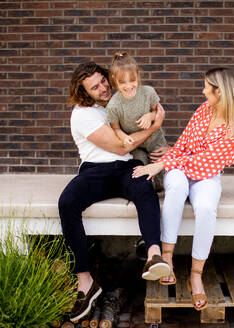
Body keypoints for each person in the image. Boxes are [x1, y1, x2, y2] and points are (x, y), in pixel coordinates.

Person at [59, 61, 170, 323]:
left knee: (144, 187)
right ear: (84, 92)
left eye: (103, 81)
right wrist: (154, 126)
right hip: (96, 171)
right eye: (94, 87)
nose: (102, 88)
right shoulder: (83, 114)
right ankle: (85, 280)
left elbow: (137, 139)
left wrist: (162, 143)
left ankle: (154, 254)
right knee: (67, 202)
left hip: (126, 168)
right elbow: (120, 147)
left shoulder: (121, 100)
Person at [132, 67, 234, 311]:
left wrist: (163, 164)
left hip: (206, 174)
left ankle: (196, 275)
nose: (203, 90)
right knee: (175, 190)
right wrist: (171, 156)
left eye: (207, 86)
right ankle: (167, 259)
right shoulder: (203, 110)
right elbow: (185, 144)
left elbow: (209, 161)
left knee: (206, 208)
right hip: (181, 168)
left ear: (220, 91)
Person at [106, 52, 168, 191]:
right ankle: (149, 192)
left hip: (155, 140)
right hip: (136, 146)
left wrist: (149, 116)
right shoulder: (114, 105)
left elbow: (157, 112)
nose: (128, 86)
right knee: (141, 173)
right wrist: (124, 137)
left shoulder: (148, 92)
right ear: (114, 80)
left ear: (138, 75)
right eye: (122, 82)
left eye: (132, 80)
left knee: (164, 173)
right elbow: (116, 128)